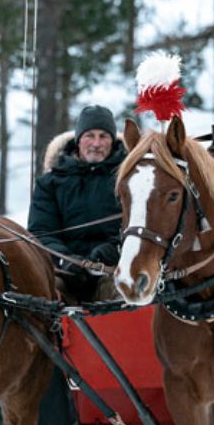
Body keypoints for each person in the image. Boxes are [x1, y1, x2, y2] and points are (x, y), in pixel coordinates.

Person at [28, 104, 126, 302]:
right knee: (39, 292)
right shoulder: (50, 183)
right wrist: (66, 261)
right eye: (89, 135)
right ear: (78, 140)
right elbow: (40, 232)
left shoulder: (128, 180)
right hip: (64, 271)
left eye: (103, 136)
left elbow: (138, 227)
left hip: (113, 269)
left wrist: (107, 254)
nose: (96, 143)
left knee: (121, 295)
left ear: (112, 141)